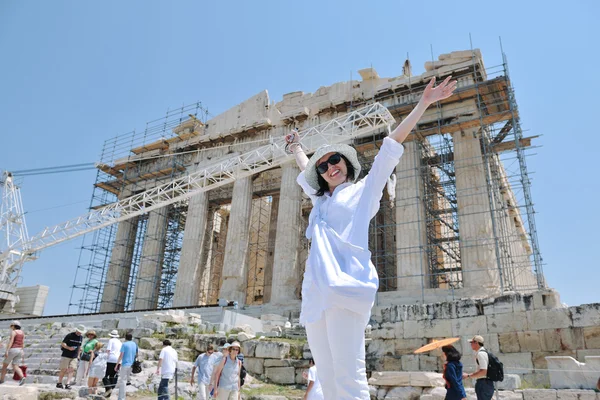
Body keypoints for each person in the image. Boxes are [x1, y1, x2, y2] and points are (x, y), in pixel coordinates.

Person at [285, 76, 456, 399]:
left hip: (345, 289)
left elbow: (389, 149)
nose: (329, 167)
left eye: (335, 160)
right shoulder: (320, 202)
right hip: (315, 297)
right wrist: (295, 147)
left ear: (347, 164)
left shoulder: (363, 193)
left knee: (350, 379)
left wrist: (423, 104)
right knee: (329, 379)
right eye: (323, 166)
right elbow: (306, 168)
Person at [463, 335, 494, 400]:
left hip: (484, 384)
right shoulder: (483, 352)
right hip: (485, 383)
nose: (471, 344)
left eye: (472, 342)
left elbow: (483, 372)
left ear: (476, 343)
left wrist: (468, 375)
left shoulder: (481, 354)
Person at [57, 325, 85, 389]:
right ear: (76, 330)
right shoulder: (70, 335)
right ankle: (59, 382)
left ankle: (68, 384)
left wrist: (78, 355)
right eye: (79, 331)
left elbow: (79, 347)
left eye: (81, 332)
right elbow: (63, 343)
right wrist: (68, 348)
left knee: (72, 370)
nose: (79, 333)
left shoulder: (81, 337)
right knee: (63, 369)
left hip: (74, 356)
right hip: (66, 355)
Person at [0, 321, 25, 385]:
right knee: (15, 366)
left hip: (13, 349)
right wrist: (22, 351)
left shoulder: (14, 332)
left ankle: (1, 380)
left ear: (14, 326)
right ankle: (22, 377)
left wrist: (7, 351)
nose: (11, 327)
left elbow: (11, 342)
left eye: (12, 326)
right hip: (20, 350)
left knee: (5, 365)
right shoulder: (22, 333)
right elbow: (22, 343)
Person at [116, 333, 138, 400]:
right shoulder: (135, 344)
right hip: (131, 365)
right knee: (126, 380)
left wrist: (117, 364)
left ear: (125, 338)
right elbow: (136, 354)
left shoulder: (124, 344)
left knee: (122, 381)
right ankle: (122, 396)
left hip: (125, 364)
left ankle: (121, 398)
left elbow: (121, 355)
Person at [103, 329, 122, 397]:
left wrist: (105, 358)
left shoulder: (111, 340)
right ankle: (109, 392)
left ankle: (109, 389)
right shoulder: (120, 342)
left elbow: (108, 350)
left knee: (104, 376)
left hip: (111, 359)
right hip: (118, 360)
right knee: (113, 376)